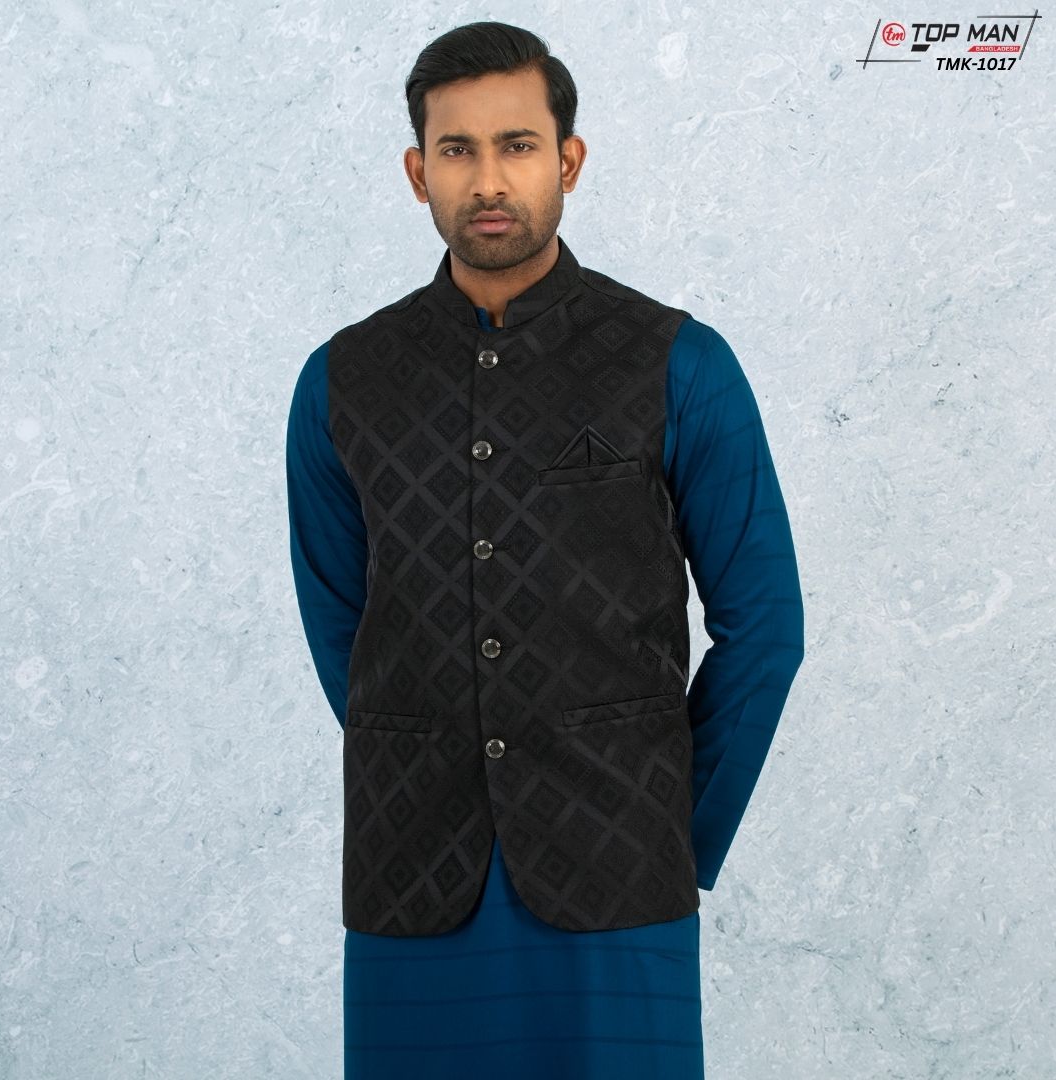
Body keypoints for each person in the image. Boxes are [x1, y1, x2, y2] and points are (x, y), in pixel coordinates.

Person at [285, 20, 804, 1080]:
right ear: (417, 172)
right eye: (457, 149)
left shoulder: (680, 363)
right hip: (409, 874)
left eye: (517, 145)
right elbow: (346, 628)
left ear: (568, 160)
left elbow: (767, 629)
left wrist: (672, 830)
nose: (488, 179)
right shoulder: (342, 381)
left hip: (624, 876)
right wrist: (428, 759)